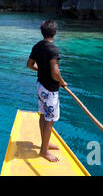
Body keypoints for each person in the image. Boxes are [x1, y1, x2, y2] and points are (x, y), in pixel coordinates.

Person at [27, 20, 67, 162]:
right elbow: (55, 72)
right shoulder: (53, 50)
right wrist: (62, 82)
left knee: (43, 115)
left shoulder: (37, 46)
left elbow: (30, 64)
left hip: (40, 86)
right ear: (55, 32)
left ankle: (46, 142)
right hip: (50, 90)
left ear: (42, 32)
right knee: (50, 121)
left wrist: (42, 70)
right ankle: (44, 151)